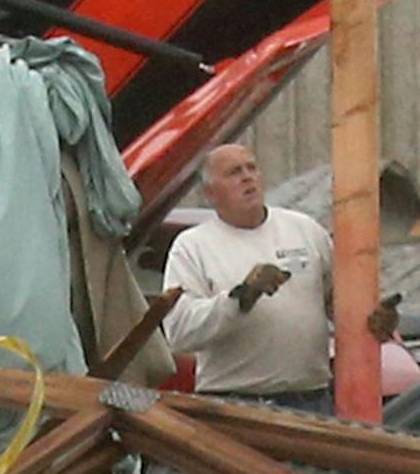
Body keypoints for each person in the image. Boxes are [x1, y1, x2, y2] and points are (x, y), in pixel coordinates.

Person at [162, 144, 392, 412]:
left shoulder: (304, 230)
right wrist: (242, 296)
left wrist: (374, 321)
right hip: (234, 405)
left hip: (310, 402)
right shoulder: (193, 247)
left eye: (252, 167)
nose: (248, 177)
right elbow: (180, 333)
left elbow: (339, 305)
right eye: (235, 172)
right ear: (211, 193)